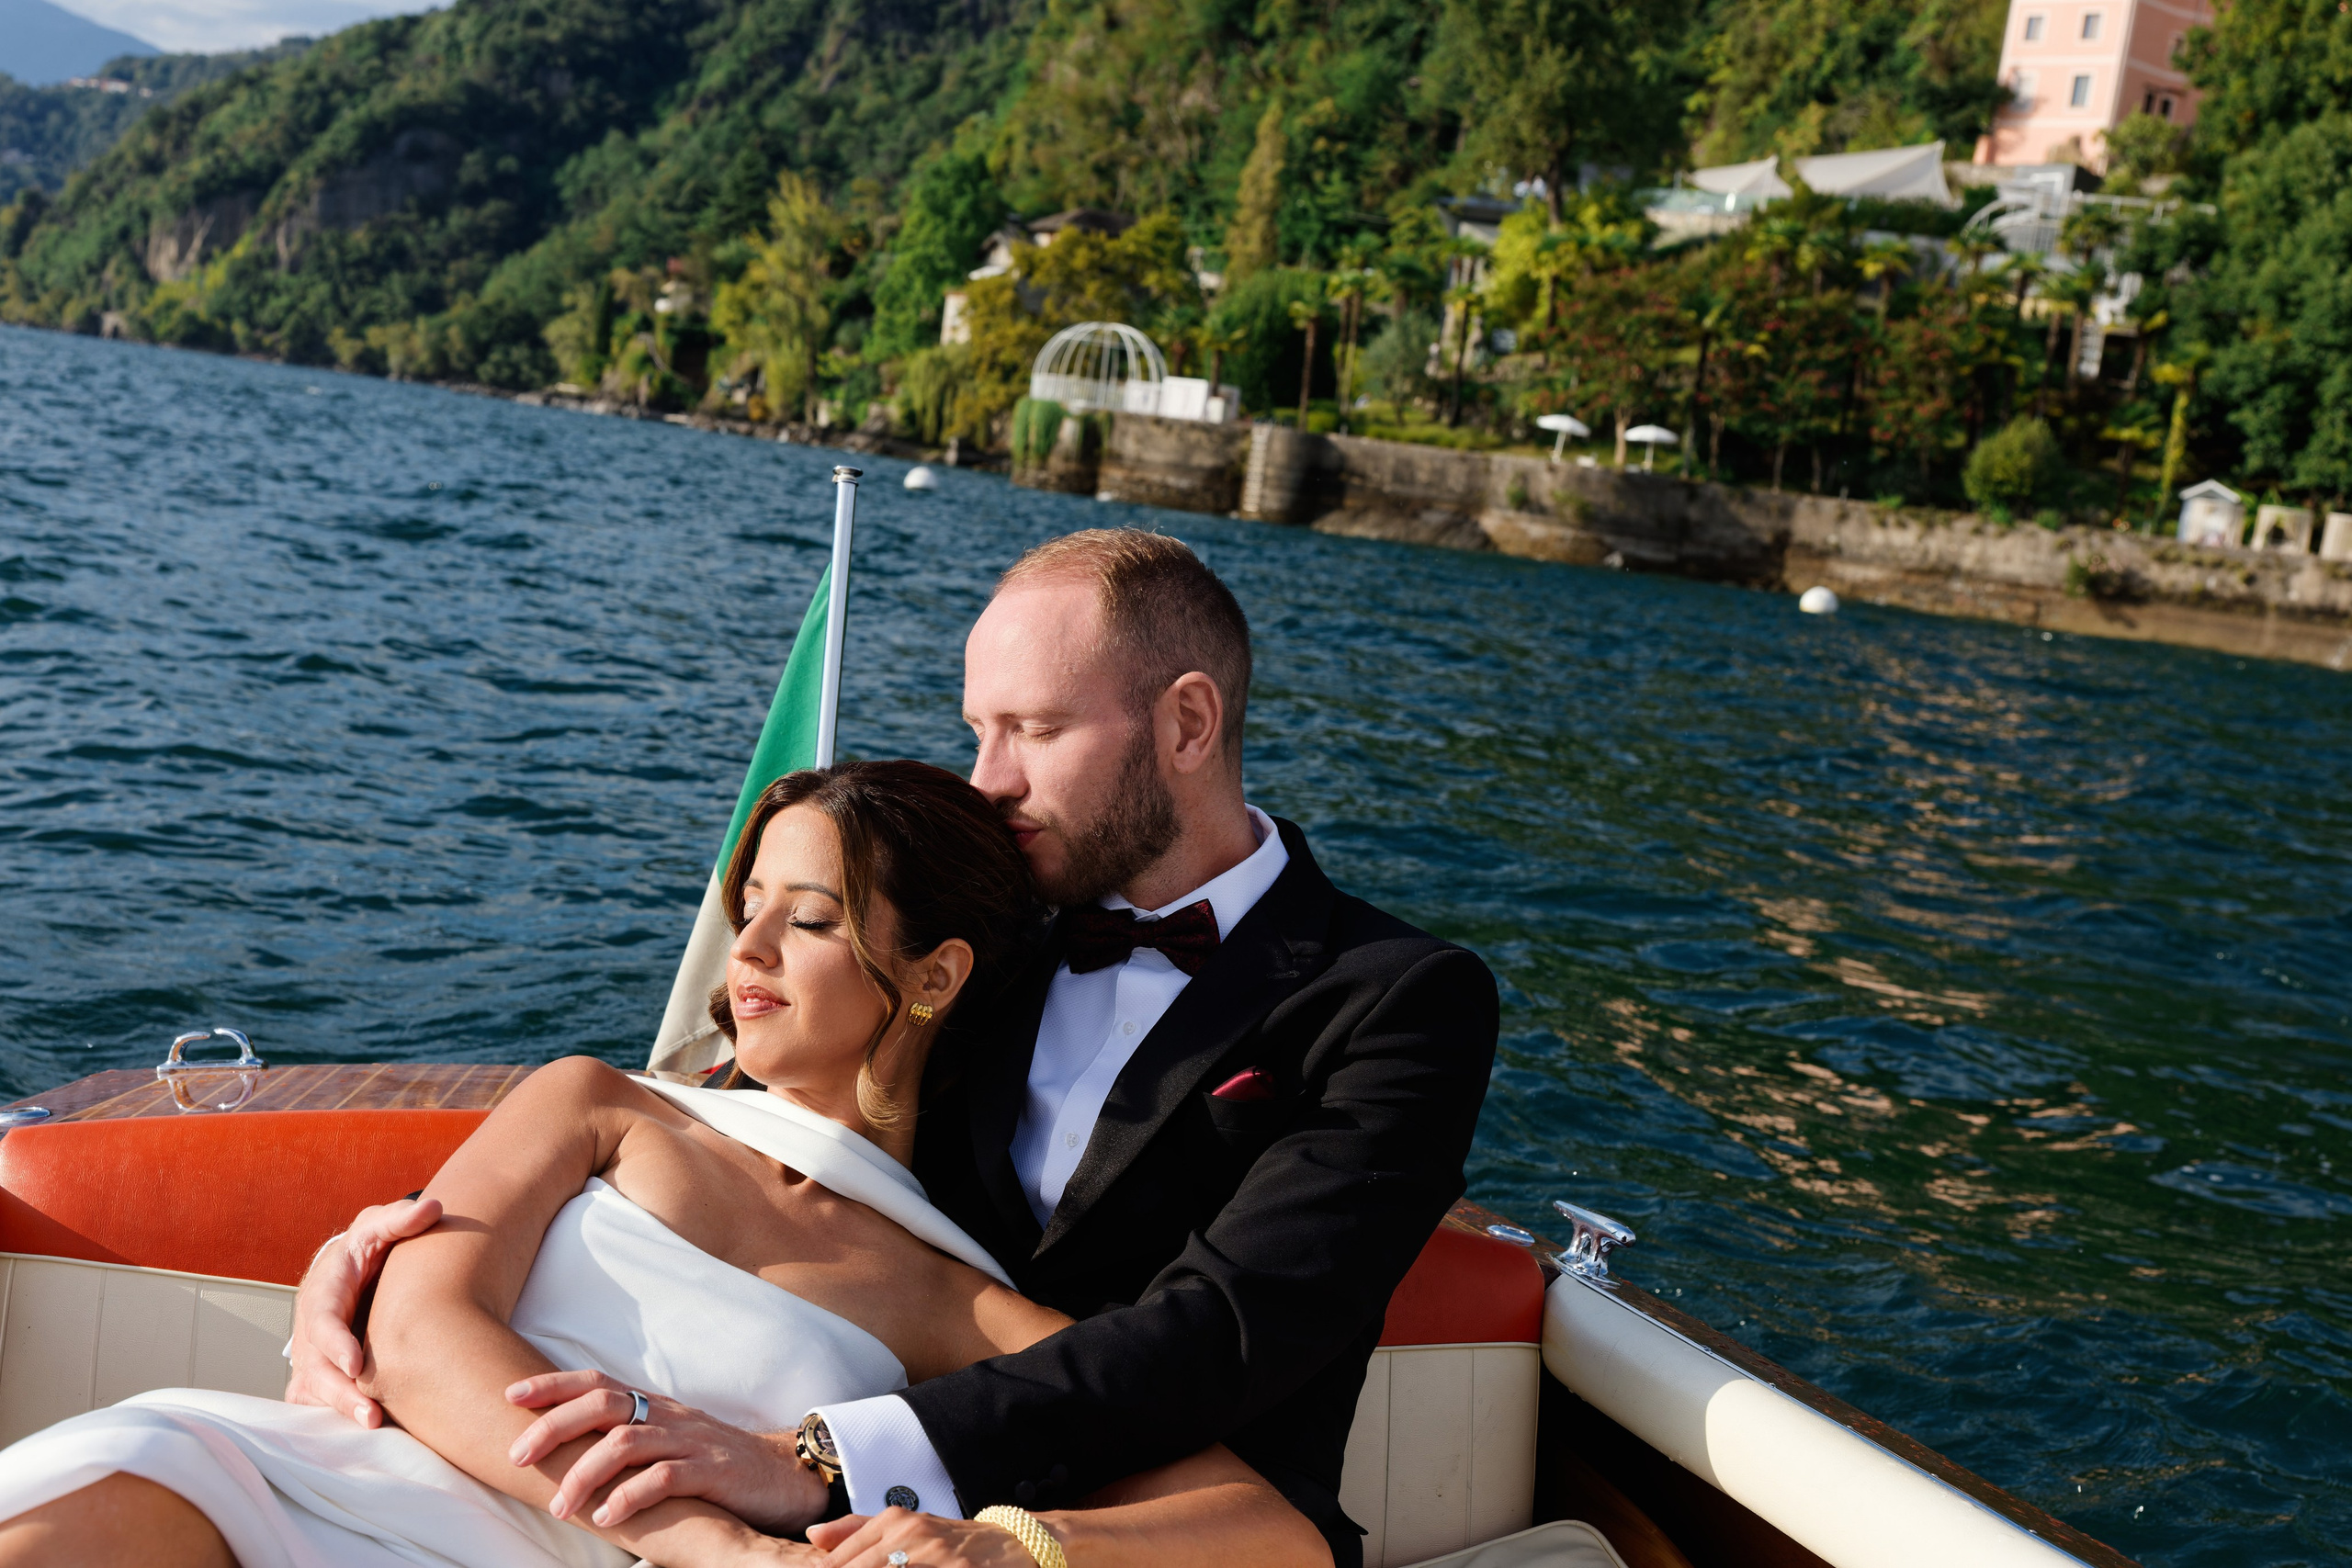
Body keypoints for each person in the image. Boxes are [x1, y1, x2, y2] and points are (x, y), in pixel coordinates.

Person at [287, 530, 1501, 1568]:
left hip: (1183, 1534)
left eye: (1032, 730)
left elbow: (1227, 1328)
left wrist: (820, 1458)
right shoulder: (985, 923)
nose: (990, 781)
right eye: (977, 729)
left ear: (1188, 721)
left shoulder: (1397, 1001)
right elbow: (759, 1103)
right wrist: (400, 1244)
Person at [0, 761, 1329, 1568]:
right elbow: (415, 1328)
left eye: (805, 922)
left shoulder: (952, 1297)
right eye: (743, 910)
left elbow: (1268, 1537)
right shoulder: (596, 1104)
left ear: (934, 977)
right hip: (333, 1486)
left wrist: (1000, 1546)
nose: (743, 956)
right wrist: (717, 1545)